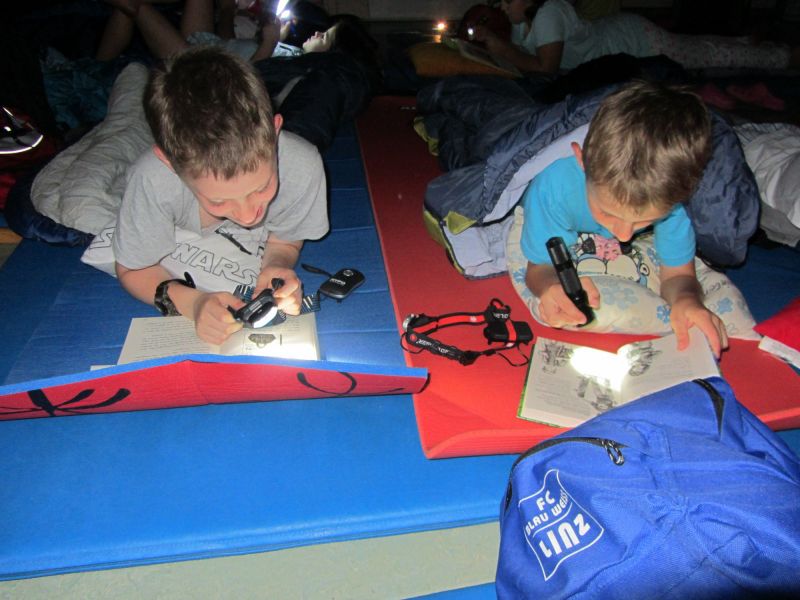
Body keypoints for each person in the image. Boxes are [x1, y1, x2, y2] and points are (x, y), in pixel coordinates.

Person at [112, 45, 328, 345]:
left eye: (261, 187)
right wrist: (194, 303)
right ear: (169, 164)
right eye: (219, 201)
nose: (249, 216)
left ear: (276, 132)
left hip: (297, 136)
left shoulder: (301, 165)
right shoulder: (152, 178)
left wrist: (275, 266)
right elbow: (131, 268)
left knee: (326, 95)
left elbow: (285, 239)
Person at [520, 81, 728, 357]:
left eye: (644, 222)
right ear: (582, 162)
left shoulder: (675, 201)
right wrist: (550, 285)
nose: (623, 236)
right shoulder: (554, 186)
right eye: (608, 213)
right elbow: (539, 266)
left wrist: (687, 299)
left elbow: (678, 274)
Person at [475, 0, 800, 74]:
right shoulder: (519, 23)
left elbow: (546, 67)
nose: (502, 5)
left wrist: (500, 48)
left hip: (636, 39)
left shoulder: (548, 13)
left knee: (706, 55)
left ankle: (783, 56)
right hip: (618, 33)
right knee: (696, 44)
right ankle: (744, 41)